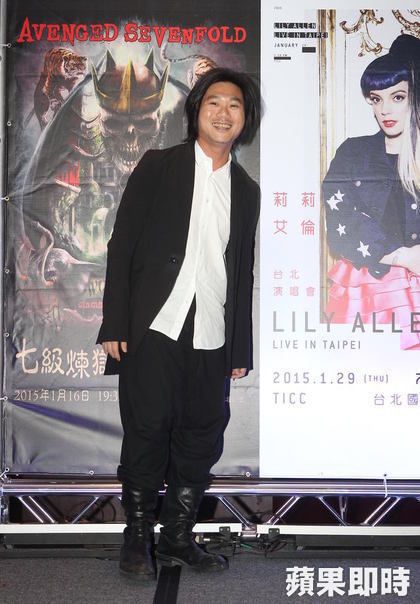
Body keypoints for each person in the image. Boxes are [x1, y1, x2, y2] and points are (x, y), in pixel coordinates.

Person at [96, 67, 261, 579]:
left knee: (201, 434)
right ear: (196, 111)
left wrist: (239, 349)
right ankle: (136, 539)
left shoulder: (246, 189)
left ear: (245, 119)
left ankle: (176, 539)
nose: (224, 113)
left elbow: (241, 272)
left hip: (211, 327)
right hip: (154, 324)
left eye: (235, 106)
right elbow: (122, 244)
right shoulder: (159, 166)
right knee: (146, 429)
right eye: (214, 103)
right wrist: (115, 321)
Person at [323, 34, 420, 348]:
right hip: (365, 292)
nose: (385, 110)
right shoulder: (353, 154)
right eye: (377, 99)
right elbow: (340, 226)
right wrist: (405, 257)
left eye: (398, 97)